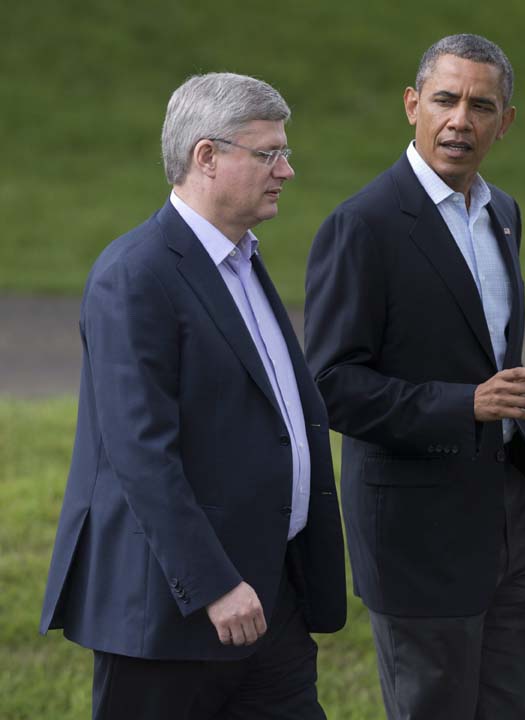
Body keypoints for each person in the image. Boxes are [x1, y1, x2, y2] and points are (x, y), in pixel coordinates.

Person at [40, 72, 346, 720]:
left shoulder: (242, 260)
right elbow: (141, 453)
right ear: (205, 156)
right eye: (269, 153)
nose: (286, 170)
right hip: (173, 613)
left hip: (270, 598)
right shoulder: (135, 275)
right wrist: (214, 586)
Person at [304, 34, 525, 720]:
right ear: (411, 105)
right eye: (445, 100)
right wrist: (468, 404)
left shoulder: (504, 214)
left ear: (504, 121)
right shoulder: (362, 226)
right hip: (417, 536)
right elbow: (331, 383)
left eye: (481, 105)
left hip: (514, 516)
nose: (461, 120)